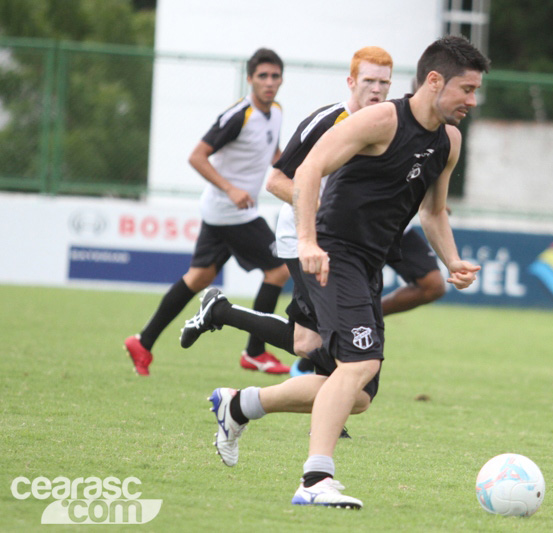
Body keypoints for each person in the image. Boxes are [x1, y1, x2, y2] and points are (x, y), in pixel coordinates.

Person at [200, 36, 489, 509]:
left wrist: (451, 260)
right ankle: (315, 480)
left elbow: (434, 213)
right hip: (332, 254)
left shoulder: (449, 142)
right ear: (434, 80)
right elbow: (309, 169)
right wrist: (309, 241)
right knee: (359, 365)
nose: (472, 102)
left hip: (367, 263)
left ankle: (240, 405)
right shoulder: (379, 120)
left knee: (356, 394)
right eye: (467, 89)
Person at [179, 46, 445, 380]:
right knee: (322, 339)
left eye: (384, 82)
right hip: (305, 237)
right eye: (369, 81)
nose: (376, 89)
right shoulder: (329, 120)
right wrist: (322, 211)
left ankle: (221, 312)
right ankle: (332, 410)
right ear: (351, 81)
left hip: (359, 239)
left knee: (310, 340)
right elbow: (276, 180)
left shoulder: (391, 123)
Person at [123, 48, 291, 376]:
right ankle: (255, 352)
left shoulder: (278, 112)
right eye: (262, 76)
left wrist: (297, 172)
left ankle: (143, 341)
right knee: (279, 270)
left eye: (274, 76)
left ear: (281, 79)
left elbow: (271, 152)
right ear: (250, 79)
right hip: (231, 211)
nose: (269, 83)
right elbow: (197, 156)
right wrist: (230, 188)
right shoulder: (238, 116)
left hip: (224, 212)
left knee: (199, 277)